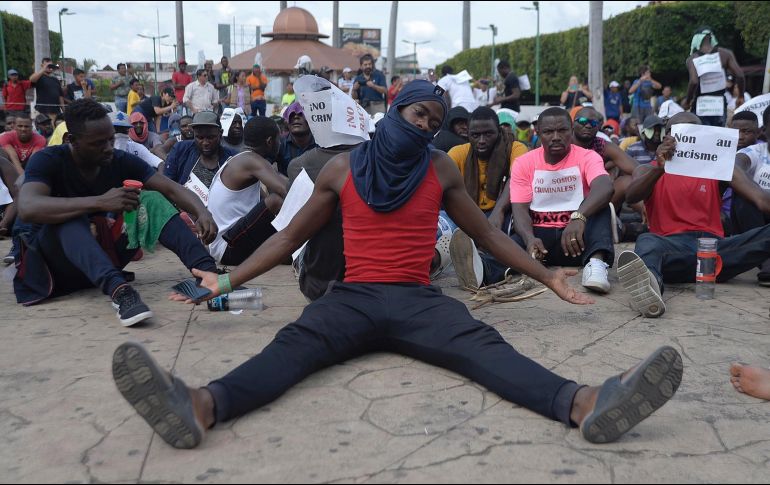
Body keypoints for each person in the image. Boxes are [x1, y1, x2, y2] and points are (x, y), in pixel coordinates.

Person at [111, 80, 683, 451]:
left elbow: (485, 231)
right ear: (393, 111)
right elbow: (288, 239)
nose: (422, 126)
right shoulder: (342, 168)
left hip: (417, 299)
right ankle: (199, 405)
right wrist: (228, 279)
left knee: (488, 352)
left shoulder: (439, 169)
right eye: (415, 113)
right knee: (289, 350)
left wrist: (548, 276)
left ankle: (588, 403)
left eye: (432, 120)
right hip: (352, 297)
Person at [13, 99, 219, 326]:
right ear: (72, 141)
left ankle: (207, 273)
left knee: (150, 199)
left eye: (111, 139)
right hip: (55, 269)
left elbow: (170, 188)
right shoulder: (48, 160)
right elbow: (28, 207)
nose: (109, 147)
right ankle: (121, 293)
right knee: (68, 215)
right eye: (98, 143)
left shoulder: (116, 160)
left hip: (103, 261)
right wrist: (100, 202)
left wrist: (202, 212)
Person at [619, 112, 770, 318]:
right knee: (646, 241)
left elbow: (761, 200)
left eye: (695, 133)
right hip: (670, 249)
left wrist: (726, 162)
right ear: (666, 138)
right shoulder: (648, 169)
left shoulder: (718, 168)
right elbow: (631, 196)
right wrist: (661, 168)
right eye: (680, 133)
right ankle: (650, 288)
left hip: (715, 253)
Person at [490, 107, 615, 294]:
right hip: (541, 242)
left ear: (571, 130)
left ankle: (595, 265)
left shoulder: (588, 157)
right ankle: (482, 269)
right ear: (538, 133)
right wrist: (530, 238)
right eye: (548, 132)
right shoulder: (524, 163)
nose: (556, 137)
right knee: (512, 245)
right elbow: (520, 209)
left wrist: (578, 217)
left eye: (562, 130)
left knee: (602, 208)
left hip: (578, 240)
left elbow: (606, 186)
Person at [447, 107, 528, 287]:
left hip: (505, 212)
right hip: (468, 213)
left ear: (499, 131)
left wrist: (498, 211)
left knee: (518, 237)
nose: (482, 140)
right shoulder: (457, 152)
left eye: (488, 134)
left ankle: (483, 268)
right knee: (442, 224)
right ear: (468, 133)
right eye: (475, 135)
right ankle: (436, 262)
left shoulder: (515, 147)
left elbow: (517, 179)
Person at [208, 117, 288, 266]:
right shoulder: (251, 160)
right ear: (270, 141)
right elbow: (285, 192)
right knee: (276, 200)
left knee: (288, 251)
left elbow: (263, 207)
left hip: (227, 244)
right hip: (228, 247)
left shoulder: (240, 159)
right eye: (279, 138)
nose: (280, 142)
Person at [729, 109, 770, 285]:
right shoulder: (756, 152)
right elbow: (736, 167)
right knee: (742, 197)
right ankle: (766, 259)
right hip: (757, 219)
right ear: (765, 130)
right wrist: (761, 198)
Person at [163, 111, 236, 206]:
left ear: (220, 134)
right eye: (200, 137)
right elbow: (168, 184)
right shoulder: (181, 150)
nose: (205, 143)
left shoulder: (232, 159)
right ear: (194, 135)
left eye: (211, 137)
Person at [683, 27, 743, 127]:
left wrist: (688, 100)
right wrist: (741, 95)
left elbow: (693, 81)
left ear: (696, 39)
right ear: (712, 38)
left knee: (701, 136)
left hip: (700, 104)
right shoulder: (725, 54)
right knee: (717, 136)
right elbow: (740, 75)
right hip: (719, 103)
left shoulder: (693, 58)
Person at [276, 101, 317, 176]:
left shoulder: (321, 144)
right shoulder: (279, 143)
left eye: (301, 114)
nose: (296, 117)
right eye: (291, 114)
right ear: (287, 122)